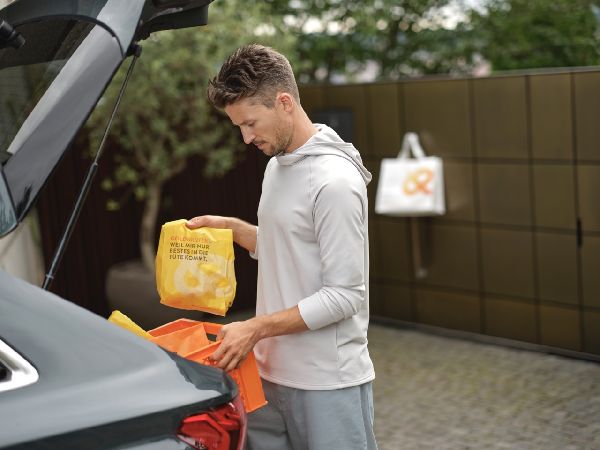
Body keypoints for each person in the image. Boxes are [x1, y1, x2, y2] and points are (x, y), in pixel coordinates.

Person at [187, 44, 377, 450]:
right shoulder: (276, 165)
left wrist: (254, 328)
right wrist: (235, 229)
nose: (246, 138)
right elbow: (291, 248)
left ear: (284, 102)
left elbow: (345, 295)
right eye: (238, 126)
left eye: (250, 123)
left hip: (327, 383)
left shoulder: (335, 182)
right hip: (267, 375)